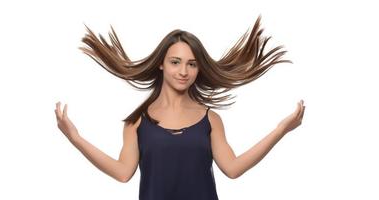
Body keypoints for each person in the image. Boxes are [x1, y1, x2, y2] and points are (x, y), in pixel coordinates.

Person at [54, 15, 306, 200]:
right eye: (175, 62)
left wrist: (281, 130)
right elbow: (123, 173)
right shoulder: (137, 122)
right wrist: (75, 138)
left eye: (192, 64)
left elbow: (233, 168)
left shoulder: (210, 120)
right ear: (161, 64)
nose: (184, 71)